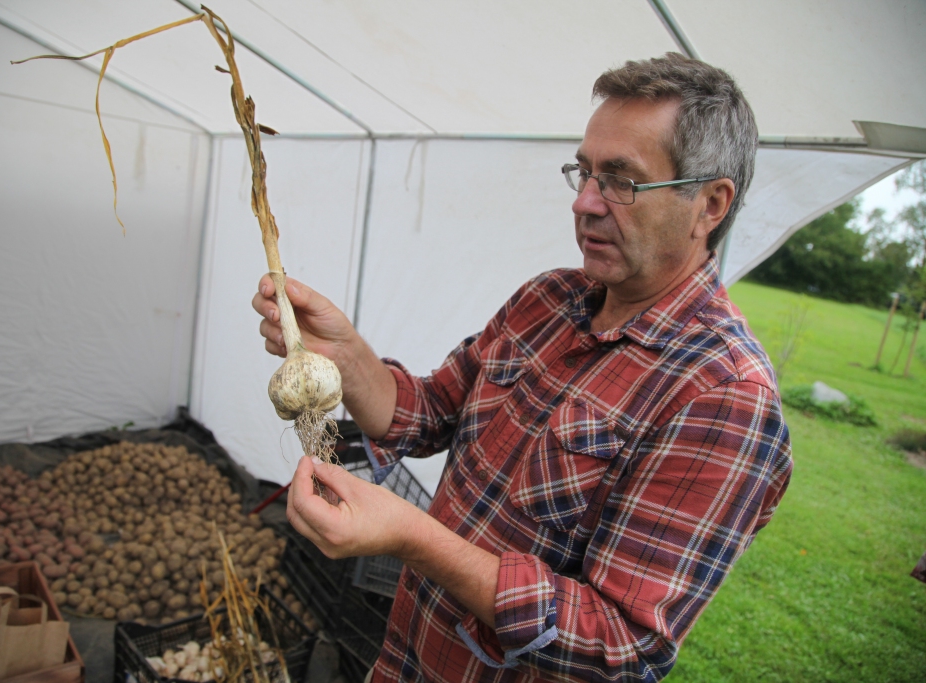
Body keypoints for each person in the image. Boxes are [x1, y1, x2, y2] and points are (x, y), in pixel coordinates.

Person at [253, 53, 792, 682]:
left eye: (621, 180)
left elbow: (622, 645)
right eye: (584, 172)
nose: (585, 203)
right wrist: (344, 354)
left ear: (711, 204)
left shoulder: (724, 397)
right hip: (406, 662)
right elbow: (428, 414)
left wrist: (413, 538)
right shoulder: (548, 300)